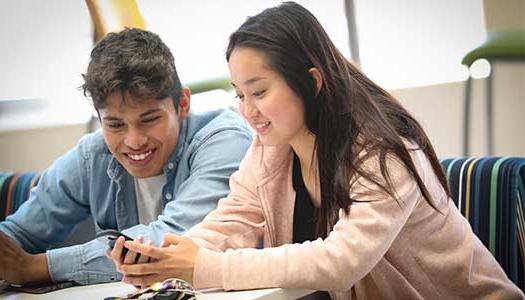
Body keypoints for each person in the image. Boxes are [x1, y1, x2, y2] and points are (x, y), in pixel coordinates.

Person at [109, 3, 524, 299]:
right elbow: (234, 218)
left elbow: (342, 260)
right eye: (239, 94)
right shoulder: (271, 145)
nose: (247, 111)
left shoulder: (385, 150)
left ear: (311, 81)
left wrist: (203, 267)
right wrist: (166, 259)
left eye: (259, 92)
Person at [0, 28, 252, 286]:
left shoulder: (224, 139)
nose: (134, 141)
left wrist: (36, 267)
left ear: (183, 104)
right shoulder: (92, 154)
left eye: (150, 119)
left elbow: (175, 240)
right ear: (99, 117)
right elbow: (17, 234)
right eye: (115, 125)